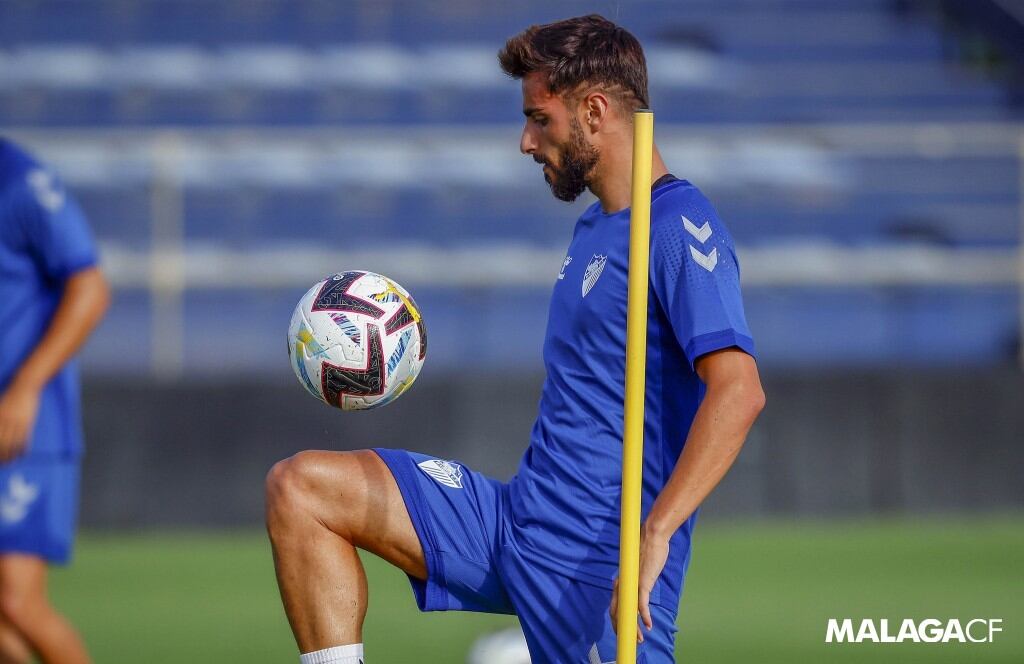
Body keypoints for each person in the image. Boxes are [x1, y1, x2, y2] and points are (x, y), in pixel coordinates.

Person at [266, 15, 765, 664]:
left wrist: (657, 533)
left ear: (593, 111)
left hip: (593, 571)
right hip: (514, 524)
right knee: (301, 488)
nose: (526, 142)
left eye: (539, 119)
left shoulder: (677, 224)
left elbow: (739, 391)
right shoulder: (596, 227)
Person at [0, 137, 109, 664]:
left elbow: (89, 287)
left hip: (23, 428)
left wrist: (25, 386)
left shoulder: (20, 181)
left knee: (16, 601)